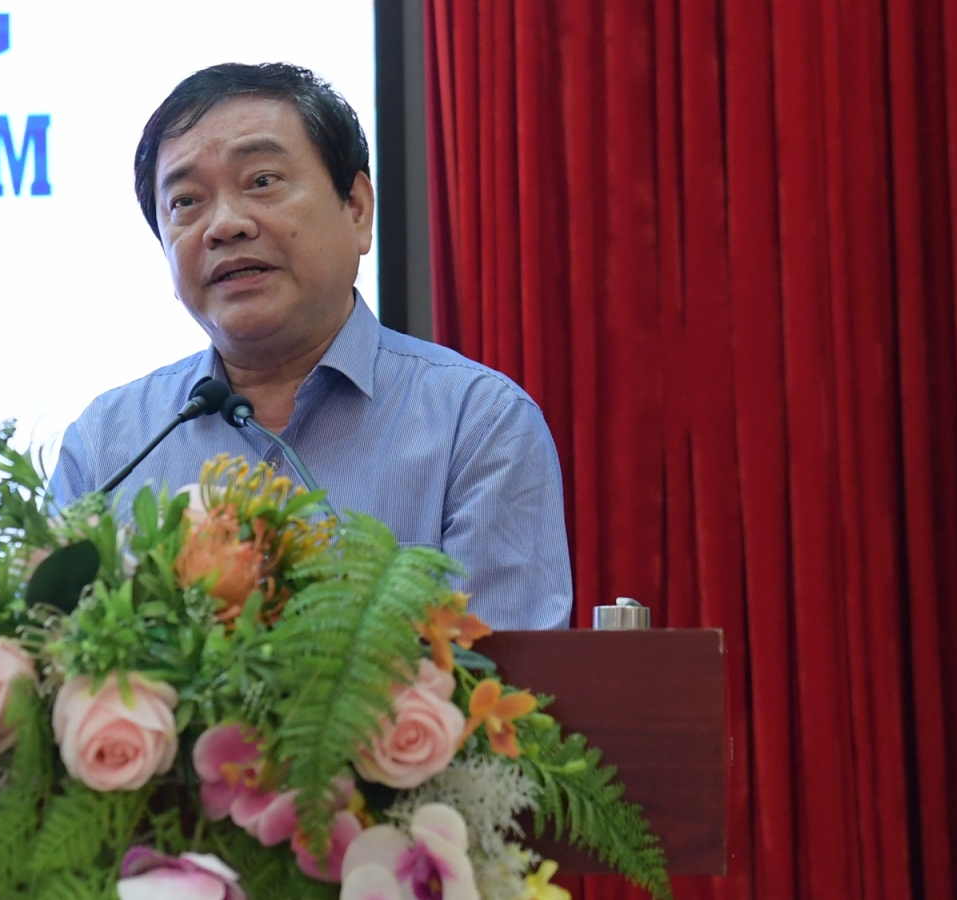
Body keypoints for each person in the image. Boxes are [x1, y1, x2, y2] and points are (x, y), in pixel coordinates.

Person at [49, 63, 572, 629]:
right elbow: (46, 656)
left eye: (262, 181)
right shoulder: (107, 447)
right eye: (185, 202)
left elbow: (503, 675)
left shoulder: (478, 426)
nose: (224, 225)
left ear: (357, 209)